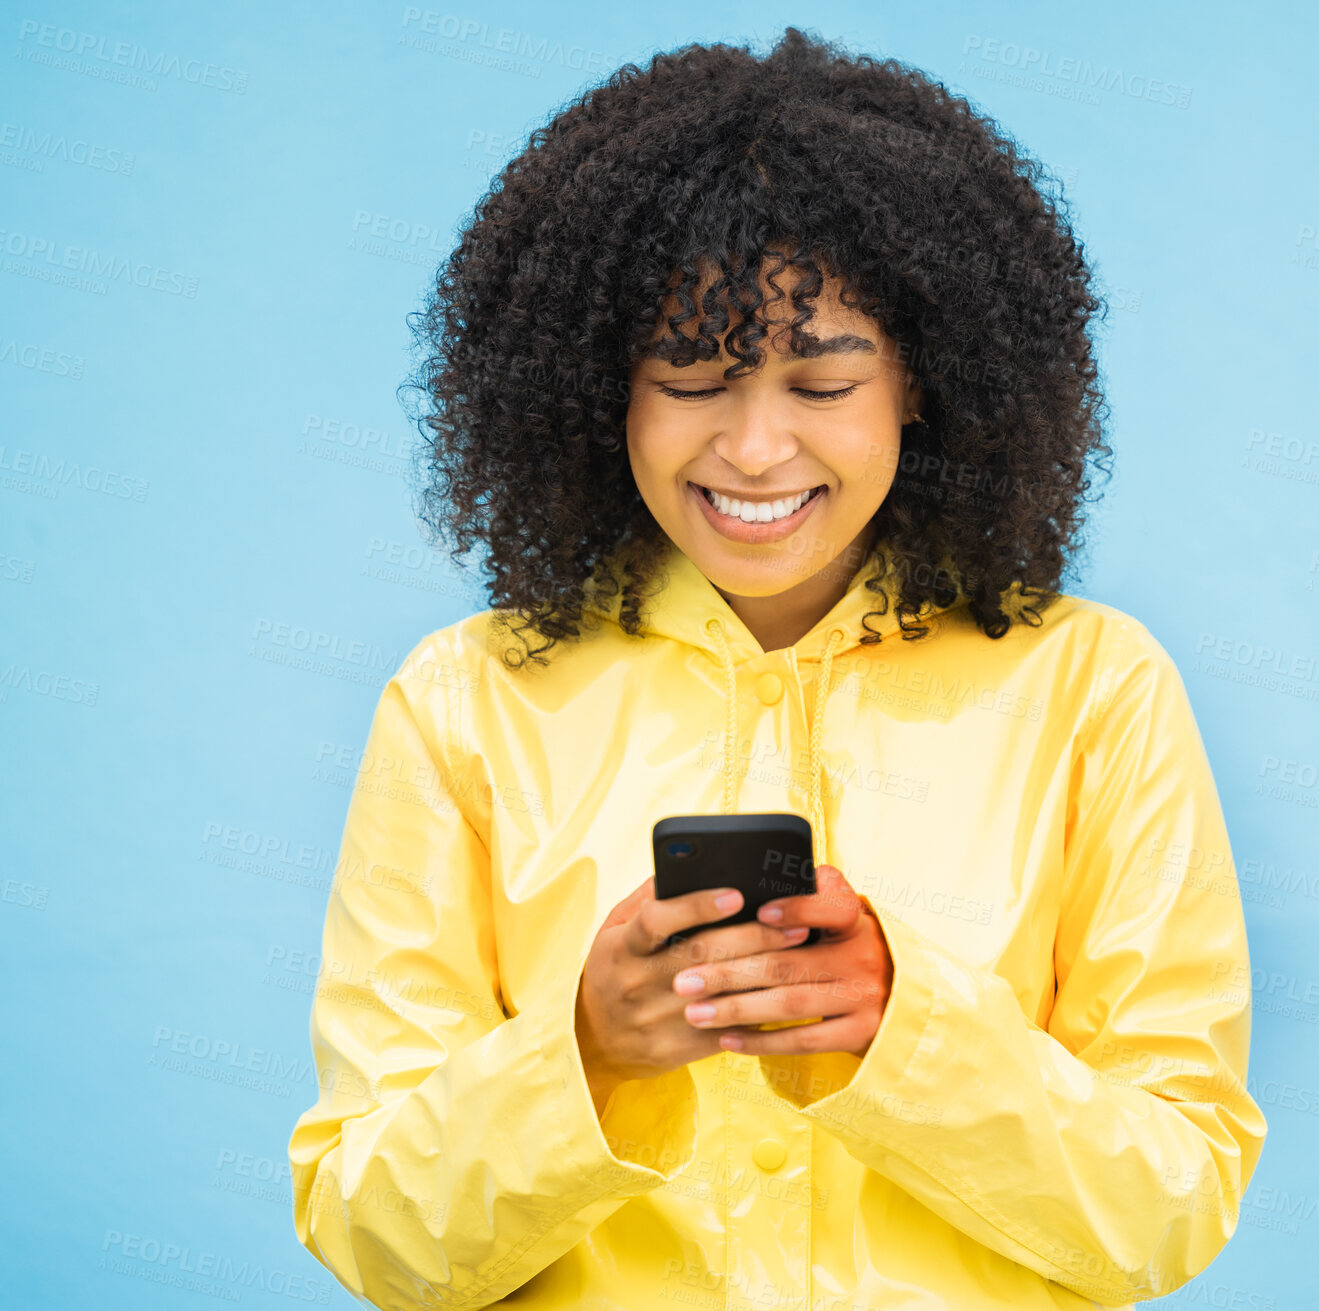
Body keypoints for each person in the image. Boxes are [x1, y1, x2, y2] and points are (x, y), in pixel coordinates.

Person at [287, 26, 1266, 1311]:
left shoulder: (1096, 693)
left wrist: (899, 1030)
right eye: (690, 375)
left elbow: (1169, 1206)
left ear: (922, 383)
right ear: (603, 392)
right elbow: (373, 1237)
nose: (754, 448)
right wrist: (583, 1059)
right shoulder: (460, 705)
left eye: (820, 380)